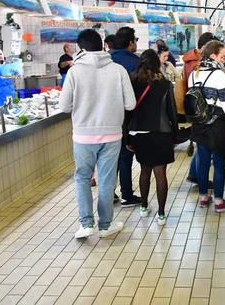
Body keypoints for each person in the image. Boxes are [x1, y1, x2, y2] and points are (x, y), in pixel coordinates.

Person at [59, 29, 136, 238]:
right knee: (107, 180)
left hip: (83, 136)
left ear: (81, 48)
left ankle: (86, 225)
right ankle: (105, 226)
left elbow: (64, 106)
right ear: (103, 45)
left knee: (83, 177)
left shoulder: (74, 72)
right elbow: (130, 104)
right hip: (112, 135)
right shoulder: (118, 70)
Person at [126, 50, 179, 226]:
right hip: (161, 131)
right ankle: (162, 214)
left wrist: (126, 137)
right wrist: (175, 134)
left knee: (144, 170)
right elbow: (172, 110)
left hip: (138, 132)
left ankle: (143, 207)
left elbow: (126, 111)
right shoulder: (164, 83)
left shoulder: (132, 81)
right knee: (160, 173)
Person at [189, 40, 225, 213]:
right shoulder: (218, 74)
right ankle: (218, 201)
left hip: (199, 123)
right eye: (222, 56)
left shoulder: (195, 73)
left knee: (202, 162)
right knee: (218, 163)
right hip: (217, 124)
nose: (224, 60)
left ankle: (203, 198)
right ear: (213, 55)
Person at [105, 27, 142, 207]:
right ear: (130, 42)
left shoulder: (107, 61)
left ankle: (109, 192)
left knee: (111, 156)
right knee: (126, 155)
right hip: (130, 116)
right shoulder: (136, 62)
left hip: (108, 116)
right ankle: (127, 195)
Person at [183, 32, 217, 187]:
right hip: (203, 107)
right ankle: (198, 177)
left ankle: (194, 174)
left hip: (195, 106)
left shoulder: (190, 60)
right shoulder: (197, 63)